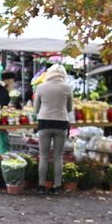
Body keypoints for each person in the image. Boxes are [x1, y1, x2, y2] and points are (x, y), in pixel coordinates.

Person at [33, 64, 73, 194]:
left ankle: (41, 186)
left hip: (44, 122)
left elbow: (36, 109)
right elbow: (69, 108)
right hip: (61, 122)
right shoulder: (67, 88)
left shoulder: (41, 87)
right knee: (57, 157)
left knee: (43, 156)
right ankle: (57, 186)